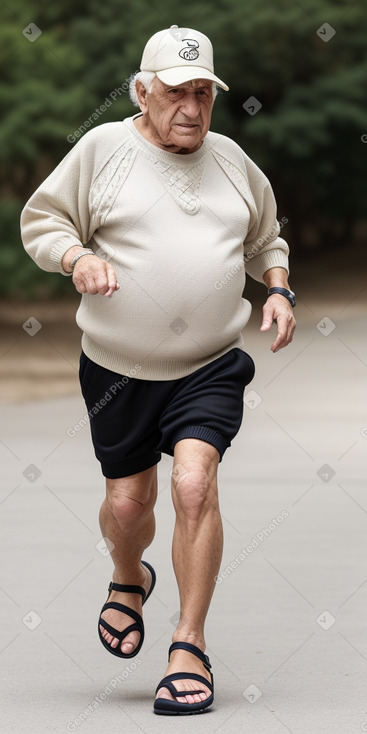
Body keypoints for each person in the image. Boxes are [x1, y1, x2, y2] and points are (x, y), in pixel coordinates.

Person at [20, 25, 296, 715]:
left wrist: (280, 287)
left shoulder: (230, 160)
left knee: (194, 485)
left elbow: (266, 235)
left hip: (209, 364)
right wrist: (75, 259)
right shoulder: (103, 149)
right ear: (142, 91)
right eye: (176, 93)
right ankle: (126, 575)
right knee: (126, 506)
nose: (191, 108)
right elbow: (44, 220)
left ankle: (188, 643)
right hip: (118, 370)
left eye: (203, 92)